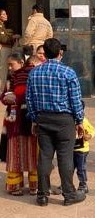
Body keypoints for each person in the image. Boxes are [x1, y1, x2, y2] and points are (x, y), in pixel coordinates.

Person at [26, 37, 86, 206]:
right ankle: (69, 194)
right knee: (65, 157)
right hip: (64, 120)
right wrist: (79, 120)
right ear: (60, 53)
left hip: (42, 118)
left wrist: (33, 119)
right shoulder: (68, 72)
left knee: (44, 157)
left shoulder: (34, 72)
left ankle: (42, 195)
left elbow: (29, 99)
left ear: (43, 53)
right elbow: (75, 99)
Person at [4, 52, 38, 195]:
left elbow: (29, 94)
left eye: (12, 64)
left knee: (32, 154)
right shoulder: (11, 78)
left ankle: (34, 186)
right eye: (8, 66)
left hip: (28, 119)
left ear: (21, 63)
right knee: (14, 153)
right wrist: (6, 98)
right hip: (13, 121)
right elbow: (4, 95)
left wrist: (16, 97)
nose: (10, 68)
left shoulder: (31, 75)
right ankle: (15, 186)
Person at [72, 103, 95, 194]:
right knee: (68, 168)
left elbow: (92, 130)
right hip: (71, 149)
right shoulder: (69, 120)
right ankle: (66, 184)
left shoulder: (84, 121)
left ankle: (83, 184)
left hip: (82, 150)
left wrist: (89, 135)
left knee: (81, 168)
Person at [0, 8, 16, 90]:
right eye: (3, 14)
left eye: (6, 14)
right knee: (3, 70)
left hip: (6, 49)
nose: (6, 16)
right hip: (3, 49)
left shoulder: (3, 26)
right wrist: (13, 37)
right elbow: (3, 39)